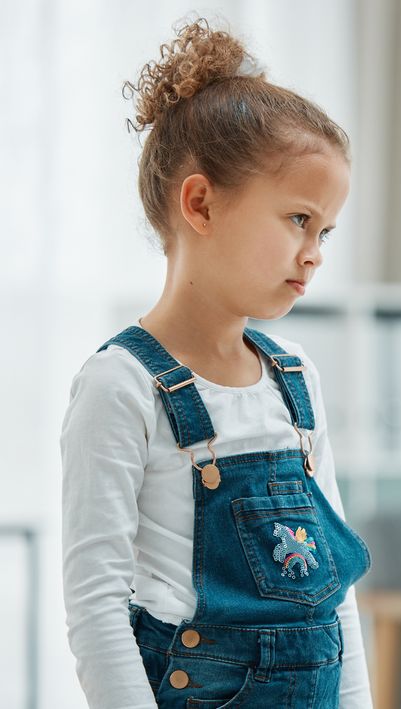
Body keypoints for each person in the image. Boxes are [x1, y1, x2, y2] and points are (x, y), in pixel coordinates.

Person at [60, 18, 371, 709]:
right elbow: (96, 607)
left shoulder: (296, 383)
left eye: (325, 230)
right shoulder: (121, 386)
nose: (315, 251)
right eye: (297, 219)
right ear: (200, 203)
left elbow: (334, 599)